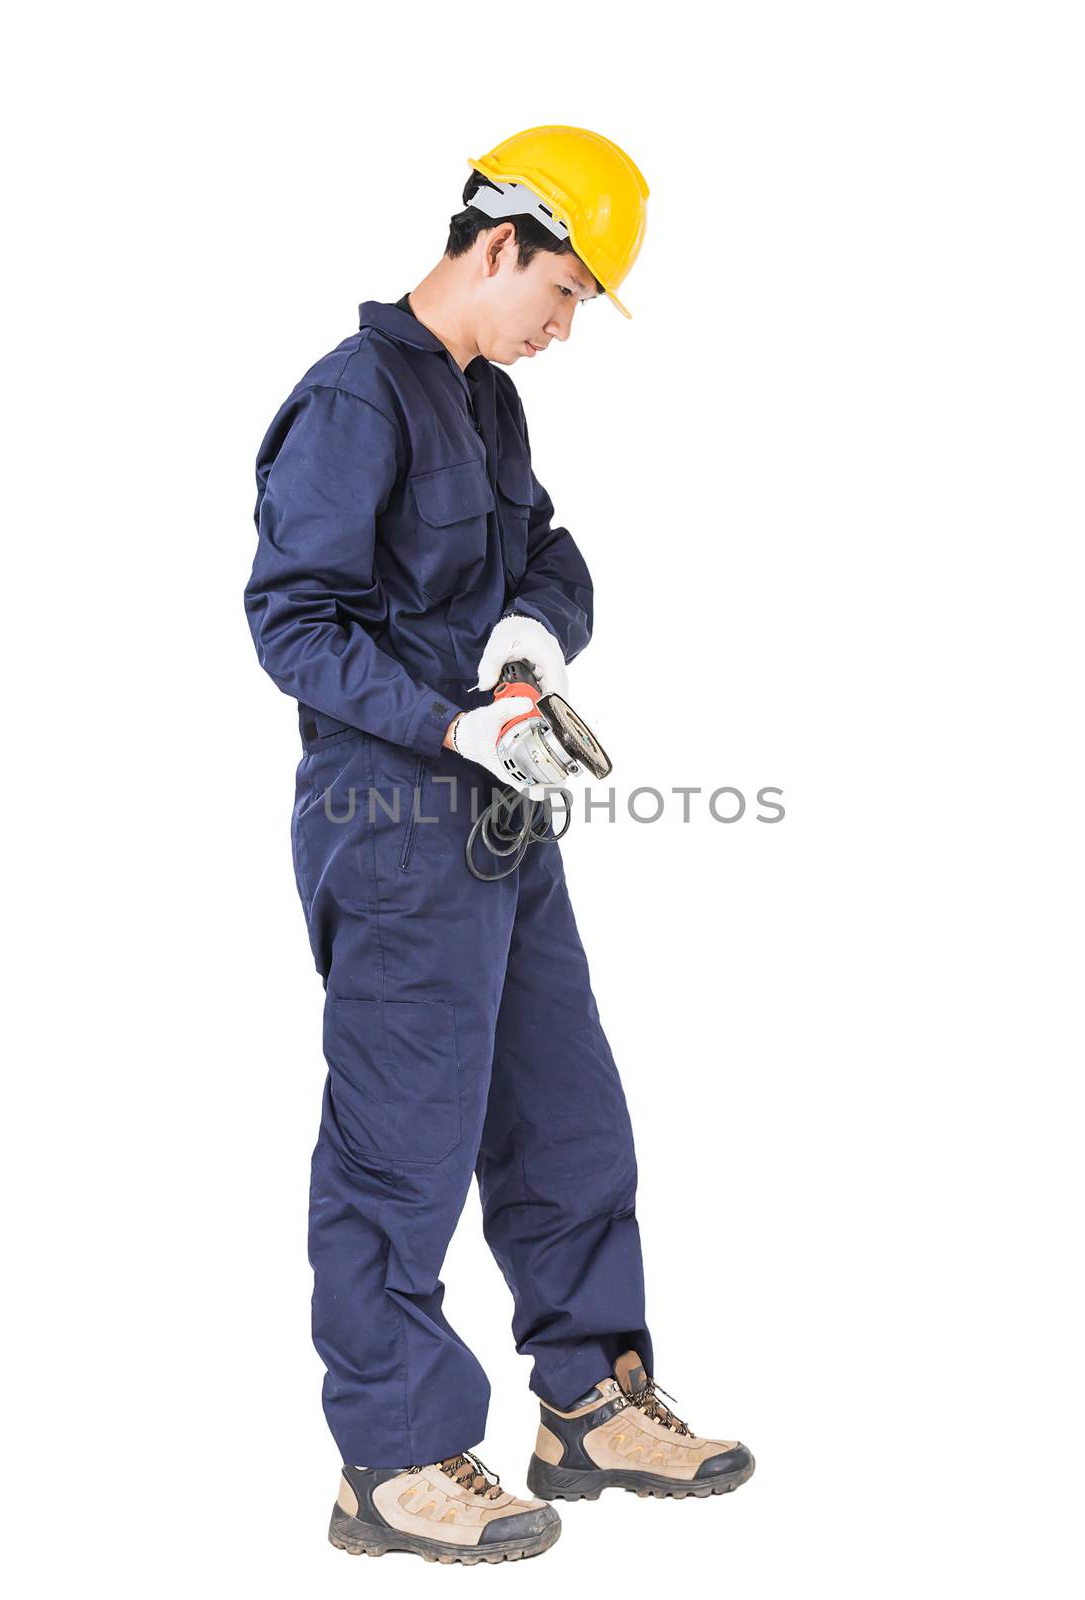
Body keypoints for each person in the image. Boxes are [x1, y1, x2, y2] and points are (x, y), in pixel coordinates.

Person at [245, 125, 753, 1566]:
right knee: (401, 1142)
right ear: (497, 243)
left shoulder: (480, 401)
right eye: (568, 290)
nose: (566, 326)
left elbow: (544, 553)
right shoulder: (352, 403)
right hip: (394, 815)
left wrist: (533, 642)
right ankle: (391, 1460)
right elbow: (293, 623)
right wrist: (448, 724)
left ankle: (587, 1402)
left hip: (498, 810)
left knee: (560, 1110)